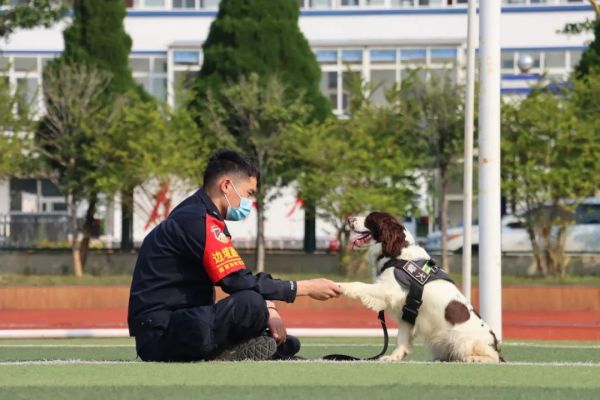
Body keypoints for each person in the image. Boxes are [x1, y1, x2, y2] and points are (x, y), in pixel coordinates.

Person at [128, 148, 341, 362]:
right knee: (251, 304)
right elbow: (236, 281)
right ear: (226, 186)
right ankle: (226, 350)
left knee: (284, 340)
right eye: (249, 193)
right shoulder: (198, 220)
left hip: (180, 323)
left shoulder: (199, 214)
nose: (250, 202)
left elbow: (239, 276)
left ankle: (236, 346)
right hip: (160, 334)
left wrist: (270, 308)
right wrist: (305, 288)